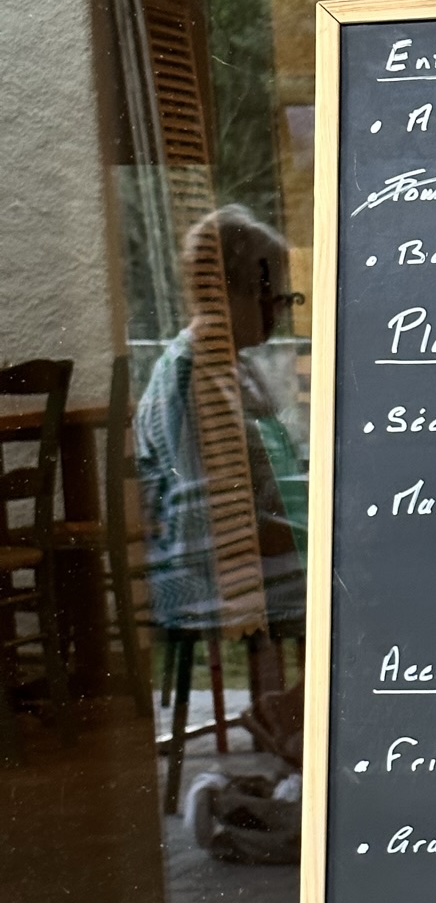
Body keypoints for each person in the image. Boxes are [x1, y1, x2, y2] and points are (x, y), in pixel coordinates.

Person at [136, 205, 308, 637]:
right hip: (211, 583)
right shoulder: (193, 375)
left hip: (256, 561)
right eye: (277, 299)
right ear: (234, 293)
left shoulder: (235, 366)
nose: (281, 313)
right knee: (363, 583)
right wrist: (319, 531)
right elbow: (212, 527)